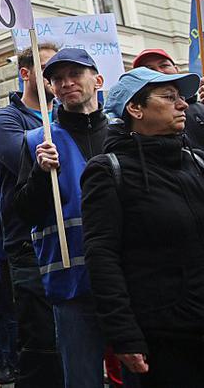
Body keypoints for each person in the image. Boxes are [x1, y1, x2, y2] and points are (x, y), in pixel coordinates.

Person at [81, 67, 204, 386]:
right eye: (169, 97)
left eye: (181, 98)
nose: (183, 105)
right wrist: (123, 334)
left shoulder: (197, 164)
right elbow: (102, 256)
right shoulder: (109, 172)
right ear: (135, 109)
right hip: (164, 340)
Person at [13, 48, 108, 388]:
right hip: (72, 284)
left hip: (130, 280)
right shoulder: (38, 141)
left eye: (74, 74)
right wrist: (40, 175)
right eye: (57, 79)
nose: (66, 83)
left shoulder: (124, 135)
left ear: (97, 80)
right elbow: (21, 212)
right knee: (82, 379)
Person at [0, 43, 63, 388]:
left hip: (71, 238)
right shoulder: (4, 122)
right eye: (48, 69)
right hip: (27, 244)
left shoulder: (65, 115)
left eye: (62, 71)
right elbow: (31, 164)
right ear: (26, 73)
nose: (57, 78)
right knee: (42, 343)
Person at [131, 48, 204, 146]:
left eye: (164, 65)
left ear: (176, 69)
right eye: (149, 70)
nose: (159, 72)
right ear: (135, 109)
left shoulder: (200, 109)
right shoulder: (128, 125)